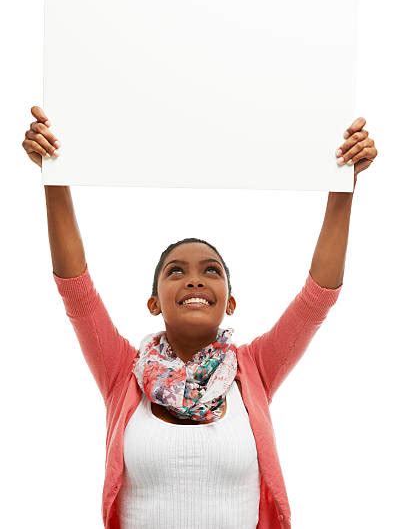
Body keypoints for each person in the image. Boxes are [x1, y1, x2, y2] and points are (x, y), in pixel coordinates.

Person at [22, 105, 378, 529]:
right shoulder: (123, 372)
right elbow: (75, 287)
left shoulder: (255, 370)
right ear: (154, 303)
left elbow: (317, 298)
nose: (194, 281)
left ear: (230, 302)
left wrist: (343, 185)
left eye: (211, 270)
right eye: (176, 272)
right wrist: (53, 176)